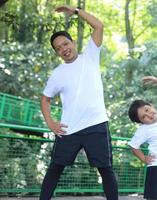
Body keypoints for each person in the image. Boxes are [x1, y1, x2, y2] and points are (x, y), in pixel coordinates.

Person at [40, 5, 118, 200]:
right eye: (58, 48)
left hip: (96, 124)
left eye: (65, 44)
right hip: (69, 128)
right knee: (55, 169)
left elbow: (98, 26)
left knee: (106, 170)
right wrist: (50, 123)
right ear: (57, 53)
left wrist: (75, 11)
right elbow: (45, 99)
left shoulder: (90, 57)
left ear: (73, 42)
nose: (63, 49)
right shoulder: (57, 74)